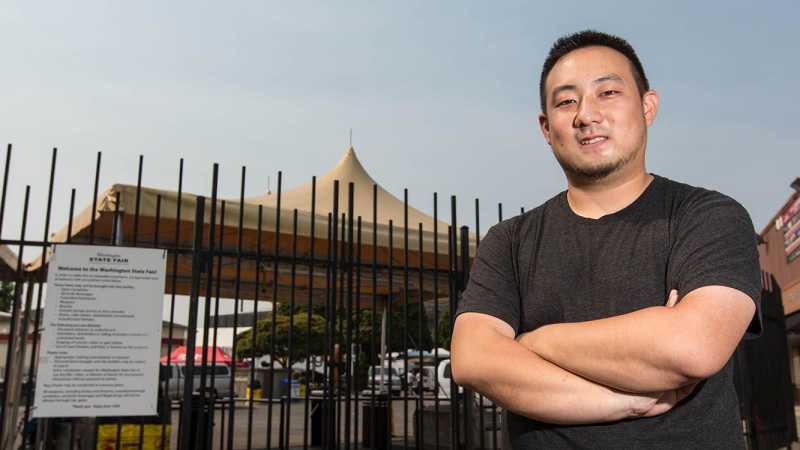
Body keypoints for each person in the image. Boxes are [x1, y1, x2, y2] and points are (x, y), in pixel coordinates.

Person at [450, 30, 761, 449]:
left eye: (608, 92)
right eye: (565, 101)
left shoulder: (707, 216)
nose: (586, 114)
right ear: (546, 127)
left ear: (648, 106)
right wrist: (625, 400)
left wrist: (535, 342)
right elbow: (473, 359)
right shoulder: (508, 241)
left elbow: (693, 346)